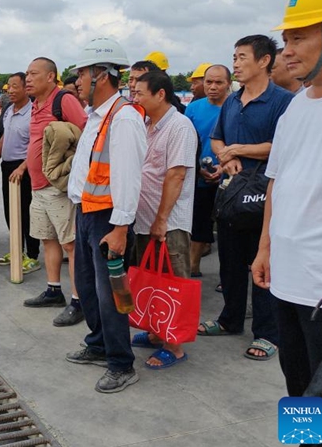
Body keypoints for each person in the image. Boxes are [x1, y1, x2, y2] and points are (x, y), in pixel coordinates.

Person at [252, 0, 322, 402]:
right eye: (285, 40)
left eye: (298, 39)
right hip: (288, 283)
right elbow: (277, 184)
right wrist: (266, 247)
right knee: (298, 395)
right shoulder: (295, 109)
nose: (285, 52)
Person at [199, 35, 294, 362]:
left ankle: (268, 333)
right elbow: (217, 139)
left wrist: (239, 150)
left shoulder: (283, 101)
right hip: (231, 193)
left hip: (265, 196)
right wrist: (226, 157)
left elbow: (282, 146)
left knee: (263, 263)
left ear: (264, 61)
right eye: (234, 57)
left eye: (241, 57)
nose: (236, 63)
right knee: (230, 262)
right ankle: (230, 319)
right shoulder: (232, 101)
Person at [66, 37, 147, 393]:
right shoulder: (96, 116)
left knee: (112, 292)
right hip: (87, 213)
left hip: (108, 219)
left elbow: (129, 177)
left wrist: (120, 228)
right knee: (88, 287)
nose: (78, 81)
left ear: (101, 75)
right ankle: (99, 343)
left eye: (82, 73)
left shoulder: (124, 118)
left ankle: (120, 363)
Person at [131, 71, 198, 369]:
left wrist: (162, 219)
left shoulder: (179, 127)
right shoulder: (147, 124)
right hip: (145, 218)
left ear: (160, 94)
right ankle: (158, 333)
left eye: (140, 93)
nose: (135, 98)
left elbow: (176, 174)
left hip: (168, 222)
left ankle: (175, 345)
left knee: (174, 280)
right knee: (153, 279)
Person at [23, 57, 88, 328]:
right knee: (48, 239)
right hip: (38, 187)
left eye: (33, 73)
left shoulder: (64, 100)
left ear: (51, 77)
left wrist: (68, 169)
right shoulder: (35, 105)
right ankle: (53, 290)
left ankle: (78, 301)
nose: (28, 78)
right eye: (26, 73)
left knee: (70, 245)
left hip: (58, 188)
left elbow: (86, 135)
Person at [186, 65, 231, 277]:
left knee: (228, 228)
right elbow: (187, 142)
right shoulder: (194, 108)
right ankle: (193, 266)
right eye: (209, 82)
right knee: (199, 221)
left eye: (219, 83)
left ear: (228, 84)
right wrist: (196, 169)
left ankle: (228, 274)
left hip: (230, 177)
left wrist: (223, 167)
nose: (213, 87)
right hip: (200, 176)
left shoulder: (235, 107)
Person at [0, 72, 40, 274]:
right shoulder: (8, 110)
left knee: (26, 212)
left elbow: (36, 145)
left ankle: (32, 255)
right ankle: (16, 250)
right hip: (8, 166)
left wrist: (23, 168)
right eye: (8, 87)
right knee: (10, 210)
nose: (10, 90)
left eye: (15, 86)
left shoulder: (34, 112)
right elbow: (3, 138)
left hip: (25, 168)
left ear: (25, 88)